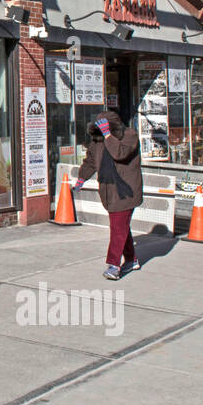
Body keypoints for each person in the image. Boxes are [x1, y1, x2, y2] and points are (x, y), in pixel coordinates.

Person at [75, 111, 143, 281]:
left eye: (105, 129)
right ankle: (131, 260)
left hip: (126, 190)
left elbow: (119, 153)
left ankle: (113, 265)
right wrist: (82, 177)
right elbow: (91, 160)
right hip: (107, 190)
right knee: (121, 226)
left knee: (117, 227)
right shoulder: (98, 141)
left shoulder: (130, 136)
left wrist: (108, 136)